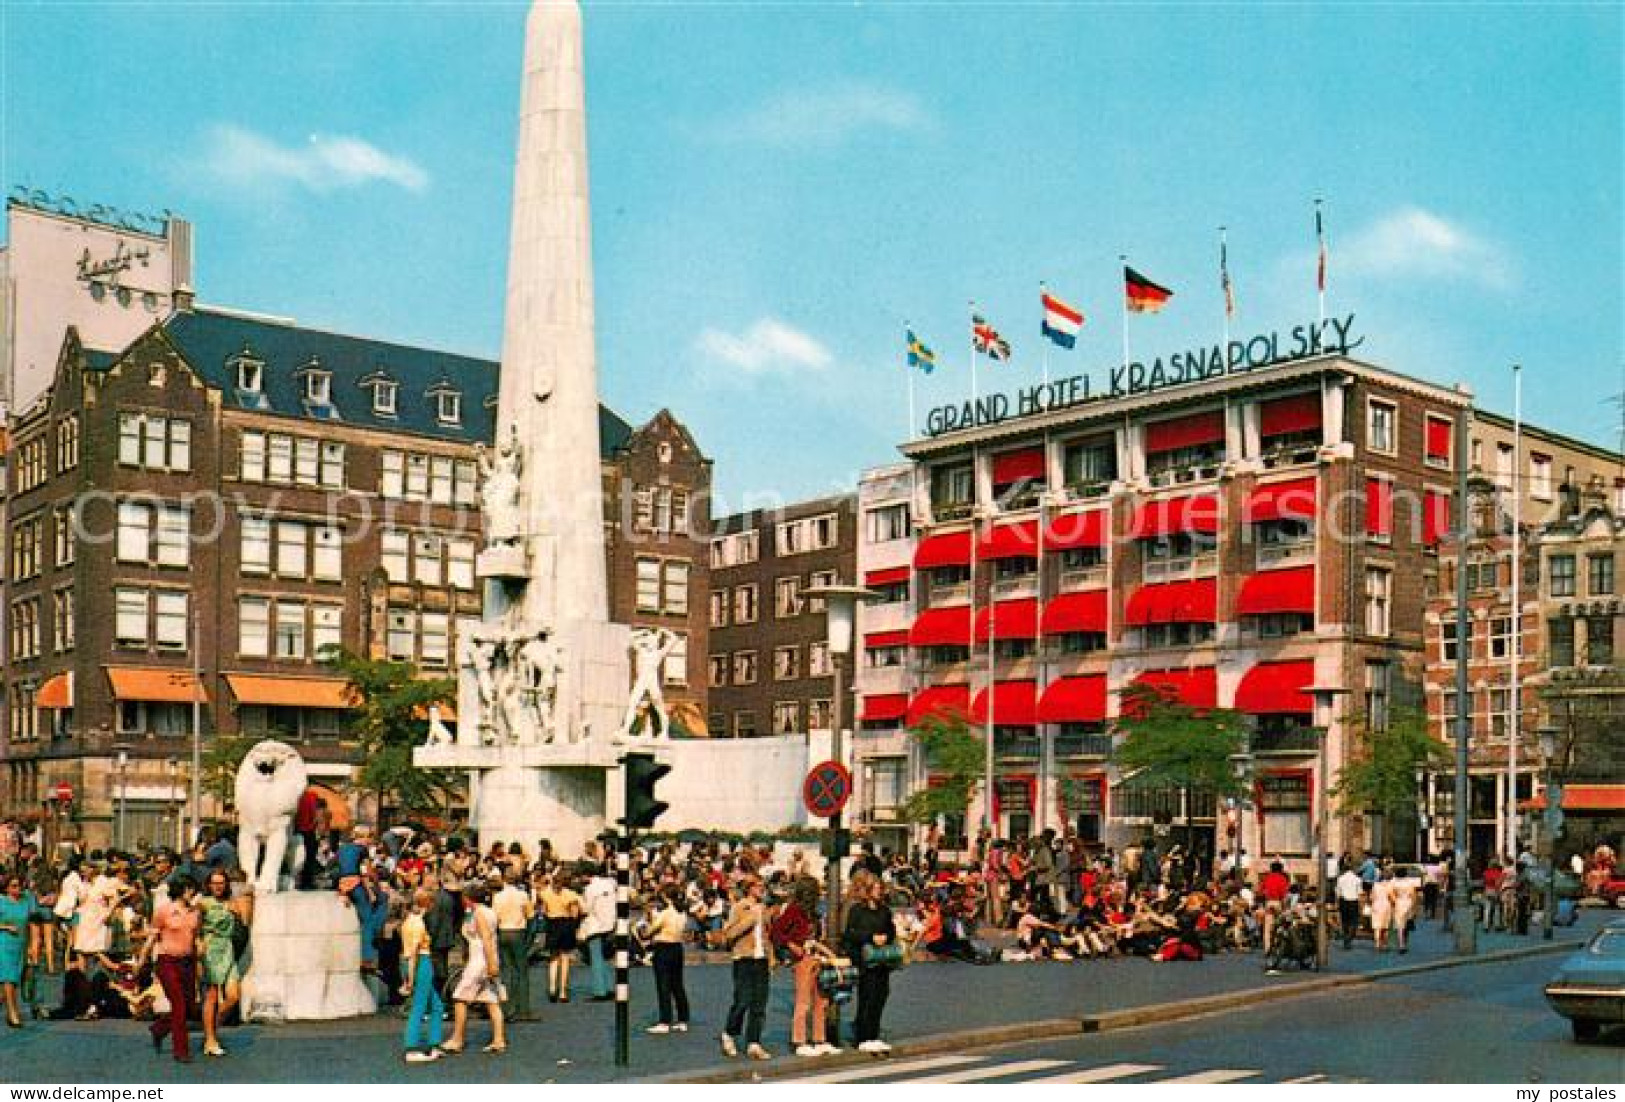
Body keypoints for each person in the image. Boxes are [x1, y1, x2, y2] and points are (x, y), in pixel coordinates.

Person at [771, 876, 837, 1056]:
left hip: (816, 956)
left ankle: (819, 1038)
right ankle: (798, 1040)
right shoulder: (794, 910)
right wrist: (792, 945)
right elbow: (776, 931)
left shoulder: (812, 912)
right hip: (802, 959)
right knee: (803, 1001)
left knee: (821, 1000)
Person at [442, 884, 507, 1055]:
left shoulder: (478, 913)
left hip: (481, 959)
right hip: (484, 956)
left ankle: (457, 1039)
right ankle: (499, 1039)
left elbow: (485, 938)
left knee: (460, 997)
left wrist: (491, 963)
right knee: (491, 998)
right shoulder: (487, 911)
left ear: (468, 898)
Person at [142, 874, 201, 1063]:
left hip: (188, 962)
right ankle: (180, 1050)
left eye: (192, 888)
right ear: (179, 890)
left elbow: (195, 937)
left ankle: (159, 1028)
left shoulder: (195, 913)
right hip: (167, 961)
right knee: (179, 1004)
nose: (191, 892)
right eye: (187, 888)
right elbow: (151, 937)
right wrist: (142, 960)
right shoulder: (163, 911)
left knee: (190, 1007)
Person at [718, 874, 774, 1060]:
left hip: (761, 959)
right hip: (743, 958)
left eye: (762, 885)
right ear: (749, 888)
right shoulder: (739, 907)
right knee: (742, 1000)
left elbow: (767, 936)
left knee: (759, 1002)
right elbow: (729, 933)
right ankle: (729, 1033)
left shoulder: (764, 908)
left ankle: (754, 1042)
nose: (762, 889)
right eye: (758, 886)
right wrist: (751, 919)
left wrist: (771, 957)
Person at [198, 869, 253, 1057]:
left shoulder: (232, 902)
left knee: (233, 996)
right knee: (211, 997)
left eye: (221, 883)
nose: (217, 886)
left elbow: (245, 922)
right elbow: (195, 927)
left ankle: (210, 1029)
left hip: (227, 949)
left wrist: (238, 910)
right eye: (214, 883)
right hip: (210, 948)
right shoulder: (203, 903)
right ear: (209, 885)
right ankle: (210, 1039)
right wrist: (199, 946)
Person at [843, 870, 898, 1054]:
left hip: (882, 959)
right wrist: (870, 937)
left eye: (880, 888)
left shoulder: (884, 911)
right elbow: (850, 934)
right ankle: (863, 1036)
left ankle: (873, 1034)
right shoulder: (857, 910)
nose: (879, 891)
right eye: (875, 888)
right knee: (866, 997)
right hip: (864, 960)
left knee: (881, 996)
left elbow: (891, 931)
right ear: (867, 890)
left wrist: (886, 937)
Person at [400, 888, 444, 1064]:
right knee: (419, 1006)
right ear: (428, 904)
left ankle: (434, 1044)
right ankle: (411, 1048)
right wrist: (410, 980)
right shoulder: (418, 924)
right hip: (421, 963)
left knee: (437, 1006)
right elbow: (414, 955)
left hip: (413, 962)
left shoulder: (408, 922)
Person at [643, 885, 691, 1035]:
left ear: (666, 897)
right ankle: (683, 1019)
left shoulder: (665, 914)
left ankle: (665, 1021)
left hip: (663, 948)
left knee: (663, 984)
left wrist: (648, 921)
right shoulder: (682, 912)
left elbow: (650, 932)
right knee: (678, 984)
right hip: (677, 948)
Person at [1, 873, 46, 1028]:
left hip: (21, 944)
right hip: (4, 943)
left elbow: (34, 925)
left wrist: (34, 946)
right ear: (6, 888)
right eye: (13, 886)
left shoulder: (26, 901)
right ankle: (13, 1013)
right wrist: (5, 926)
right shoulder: (1, 901)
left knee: (17, 980)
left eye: (19, 885)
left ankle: (9, 1008)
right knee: (9, 979)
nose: (17, 888)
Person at [491, 867, 534, 1022]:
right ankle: (523, 1010)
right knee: (522, 971)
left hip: (502, 931)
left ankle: (508, 1008)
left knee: (507, 970)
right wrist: (530, 939)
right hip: (517, 931)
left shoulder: (497, 897)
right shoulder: (522, 895)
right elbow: (530, 917)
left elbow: (494, 918)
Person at [580, 863, 617, 1001]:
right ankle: (610, 987)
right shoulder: (609, 884)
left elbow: (586, 908)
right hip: (610, 924)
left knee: (596, 959)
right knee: (606, 958)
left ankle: (599, 991)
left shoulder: (589, 889)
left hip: (595, 925)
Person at [1335, 862, 1363, 950]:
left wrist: (1337, 903)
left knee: (1345, 921)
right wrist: (1361, 905)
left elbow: (1338, 892)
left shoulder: (1340, 879)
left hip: (1343, 901)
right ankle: (1349, 938)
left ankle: (1346, 939)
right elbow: (1359, 893)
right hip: (1354, 902)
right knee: (1354, 921)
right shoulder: (1357, 879)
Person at [1369, 868, 1396, 952]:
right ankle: (1384, 945)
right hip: (1386, 906)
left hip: (1376, 906)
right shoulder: (1389, 886)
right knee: (1385, 927)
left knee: (1377, 927)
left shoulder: (1375, 885)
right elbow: (1392, 899)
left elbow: (1371, 897)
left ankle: (1377, 945)